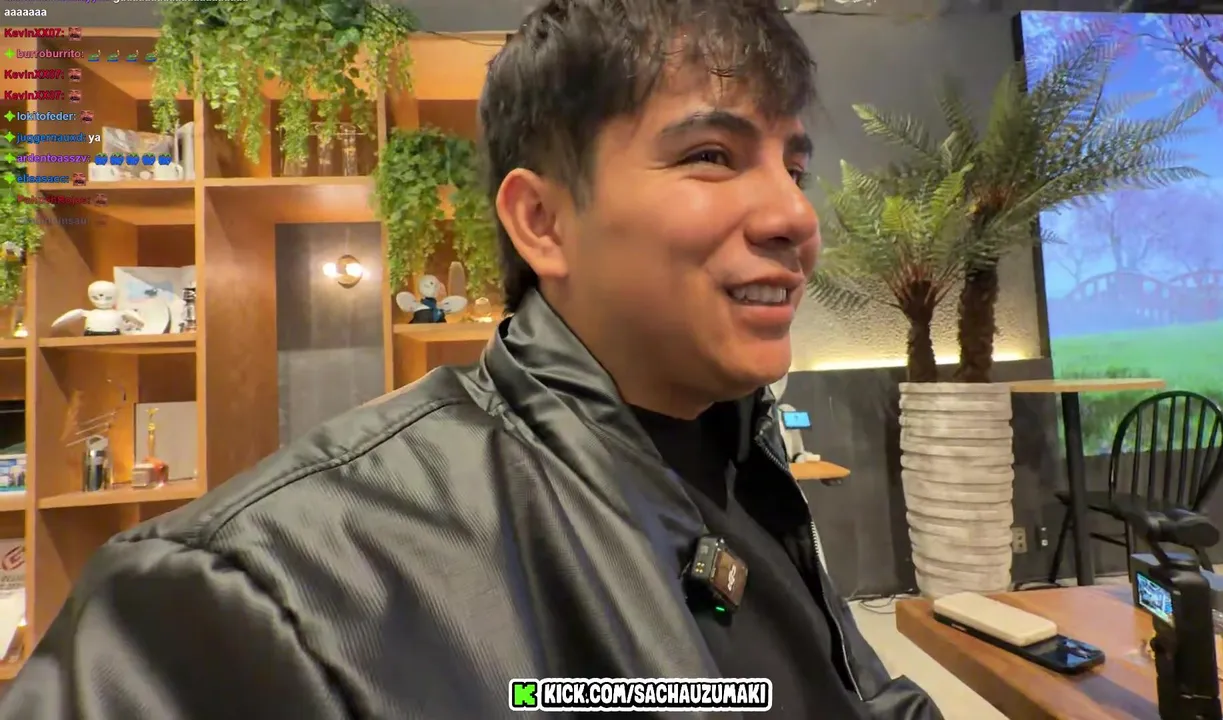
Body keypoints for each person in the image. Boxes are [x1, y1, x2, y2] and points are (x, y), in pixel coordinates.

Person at [0, 1, 942, 718]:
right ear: (543, 221)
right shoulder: (253, 595)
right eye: (710, 155)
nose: (795, 216)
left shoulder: (748, 466)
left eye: (794, 168)